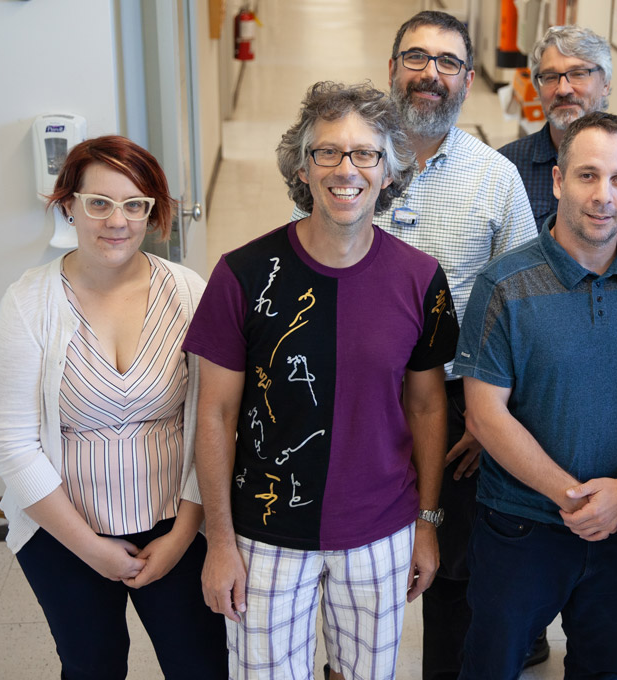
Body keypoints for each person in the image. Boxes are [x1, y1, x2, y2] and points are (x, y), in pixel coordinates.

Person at [290, 14, 538, 675]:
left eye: (449, 62)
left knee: (450, 573)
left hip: (459, 405)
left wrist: (492, 422)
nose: (432, 74)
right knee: (343, 562)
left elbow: (524, 312)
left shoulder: (495, 179)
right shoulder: (349, 163)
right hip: (354, 396)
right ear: (392, 64)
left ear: (469, 76)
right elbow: (306, 272)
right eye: (417, 57)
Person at [186, 81, 458, 680]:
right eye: (327, 152)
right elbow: (215, 416)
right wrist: (220, 543)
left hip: (381, 530)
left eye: (366, 154)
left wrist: (427, 524)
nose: (346, 170)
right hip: (265, 533)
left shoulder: (420, 279)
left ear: (389, 173)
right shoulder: (241, 275)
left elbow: (429, 407)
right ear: (302, 169)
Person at [455, 112, 617, 680]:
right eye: (587, 175)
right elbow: (485, 415)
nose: (603, 195)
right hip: (520, 527)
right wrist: (573, 498)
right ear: (559, 180)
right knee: (491, 666)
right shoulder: (504, 284)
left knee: (603, 668)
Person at [0, 135, 226, 679]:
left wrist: (183, 536)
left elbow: (213, 423)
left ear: (152, 212)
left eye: (134, 205)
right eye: (99, 203)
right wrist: (92, 549)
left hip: (177, 523)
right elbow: (13, 445)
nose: (117, 221)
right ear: (68, 204)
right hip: (62, 531)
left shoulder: (189, 293)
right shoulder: (28, 304)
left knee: (203, 667)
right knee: (92, 666)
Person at [498, 24, 617, 265]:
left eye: (578, 73)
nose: (563, 89)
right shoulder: (507, 167)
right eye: (550, 77)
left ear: (605, 83)